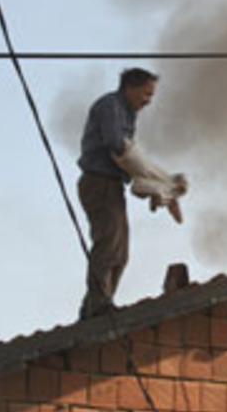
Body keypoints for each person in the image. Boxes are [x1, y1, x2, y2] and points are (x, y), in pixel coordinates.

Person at [76, 67, 158, 319]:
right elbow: (118, 146)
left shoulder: (128, 114)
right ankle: (98, 306)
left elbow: (127, 155)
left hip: (111, 185)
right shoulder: (110, 106)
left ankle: (96, 305)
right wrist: (151, 178)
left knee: (120, 253)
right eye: (146, 93)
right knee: (108, 245)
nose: (148, 101)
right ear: (130, 87)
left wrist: (149, 181)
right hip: (98, 183)